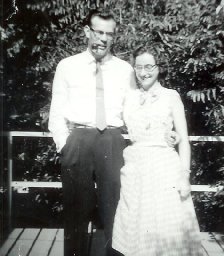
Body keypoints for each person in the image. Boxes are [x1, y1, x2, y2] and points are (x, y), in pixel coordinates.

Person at [48, 10, 135, 256]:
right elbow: (56, 112)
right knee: (75, 212)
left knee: (116, 210)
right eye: (99, 32)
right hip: (78, 141)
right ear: (87, 32)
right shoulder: (67, 66)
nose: (103, 39)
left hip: (112, 140)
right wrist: (63, 145)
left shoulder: (125, 69)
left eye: (109, 34)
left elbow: (132, 113)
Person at [112, 45, 204, 256]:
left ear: (159, 67)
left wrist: (185, 176)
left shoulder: (171, 96)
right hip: (136, 169)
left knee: (166, 229)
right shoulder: (128, 97)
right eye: (138, 67)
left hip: (164, 169)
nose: (143, 73)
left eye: (149, 67)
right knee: (137, 230)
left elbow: (184, 141)